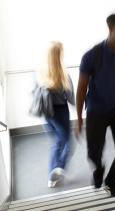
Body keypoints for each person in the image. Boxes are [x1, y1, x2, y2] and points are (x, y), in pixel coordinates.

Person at [76, 13, 115, 197]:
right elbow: (81, 89)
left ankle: (111, 182)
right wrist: (79, 118)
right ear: (110, 30)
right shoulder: (91, 56)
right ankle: (99, 169)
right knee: (93, 152)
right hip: (97, 110)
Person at [38, 41, 75, 188]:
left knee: (57, 142)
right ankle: (58, 168)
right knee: (67, 143)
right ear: (60, 55)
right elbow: (71, 99)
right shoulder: (63, 75)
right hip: (60, 112)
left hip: (46, 113)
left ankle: (52, 177)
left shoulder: (40, 73)